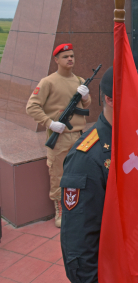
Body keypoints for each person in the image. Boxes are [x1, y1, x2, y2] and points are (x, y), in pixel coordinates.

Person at [60, 66, 138, 283]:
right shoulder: (87, 157)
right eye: (137, 98)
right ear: (110, 99)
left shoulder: (136, 139)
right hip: (112, 272)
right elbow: (78, 239)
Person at [26, 43, 91, 228]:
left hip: (79, 135)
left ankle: (79, 207)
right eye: (65, 56)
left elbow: (87, 106)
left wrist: (86, 97)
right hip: (60, 137)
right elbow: (31, 107)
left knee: (80, 172)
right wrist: (49, 123)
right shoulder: (48, 82)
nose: (70, 59)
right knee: (58, 174)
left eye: (72, 56)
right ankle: (60, 209)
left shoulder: (79, 80)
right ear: (56, 60)